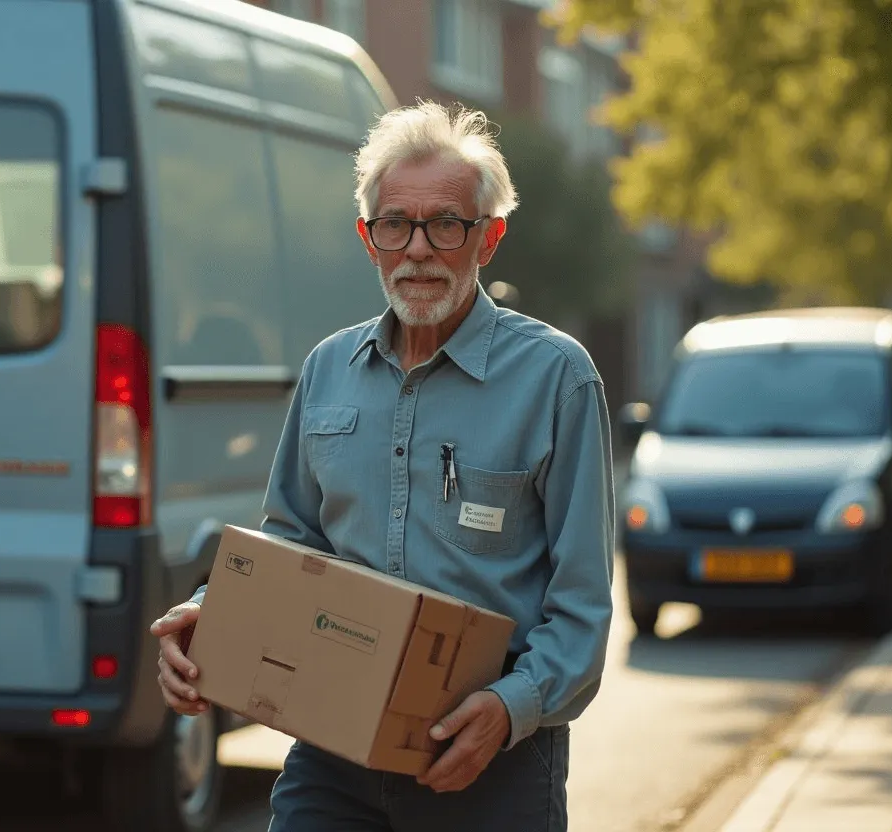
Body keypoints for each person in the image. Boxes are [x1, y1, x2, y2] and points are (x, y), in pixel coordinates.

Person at [149, 100, 615, 831]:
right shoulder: (328, 369)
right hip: (334, 756)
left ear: (488, 238)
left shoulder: (557, 378)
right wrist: (214, 616)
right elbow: (291, 548)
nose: (419, 249)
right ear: (370, 239)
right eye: (396, 224)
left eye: (446, 224)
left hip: (489, 762)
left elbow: (582, 606)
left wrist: (507, 707)